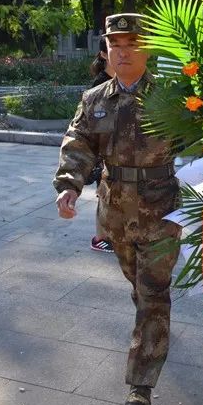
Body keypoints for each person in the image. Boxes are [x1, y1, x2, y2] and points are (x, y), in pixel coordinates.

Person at [54, 13, 180, 405]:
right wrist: (69, 187)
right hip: (115, 211)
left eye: (131, 46)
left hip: (161, 210)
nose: (122, 53)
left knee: (153, 294)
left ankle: (141, 382)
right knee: (138, 286)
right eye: (115, 46)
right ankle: (151, 331)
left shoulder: (172, 97)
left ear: (146, 50)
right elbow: (78, 144)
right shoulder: (95, 100)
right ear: (106, 51)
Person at [87, 37, 116, 254]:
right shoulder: (100, 85)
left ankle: (110, 234)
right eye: (113, 48)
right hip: (102, 153)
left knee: (111, 197)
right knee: (104, 197)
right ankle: (100, 238)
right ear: (104, 55)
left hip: (115, 152)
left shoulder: (118, 81)